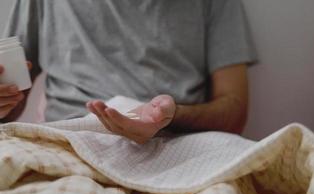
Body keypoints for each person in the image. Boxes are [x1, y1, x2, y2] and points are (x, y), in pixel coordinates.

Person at [0, 0, 257, 144]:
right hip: (69, 144)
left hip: (181, 147)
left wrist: (171, 116)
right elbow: (10, 103)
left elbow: (234, 112)